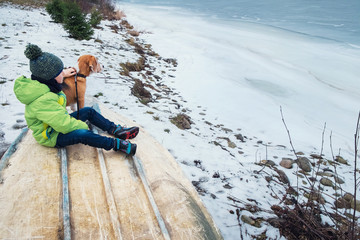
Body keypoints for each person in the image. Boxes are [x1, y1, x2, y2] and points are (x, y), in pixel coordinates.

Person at [14, 44, 138, 155]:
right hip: (51, 135)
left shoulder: (45, 86)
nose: (63, 74)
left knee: (88, 111)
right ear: (50, 78)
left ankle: (115, 129)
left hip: (56, 124)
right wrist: (82, 125)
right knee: (82, 134)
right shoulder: (42, 100)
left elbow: (60, 117)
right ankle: (117, 144)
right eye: (60, 73)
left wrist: (64, 73)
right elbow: (64, 125)